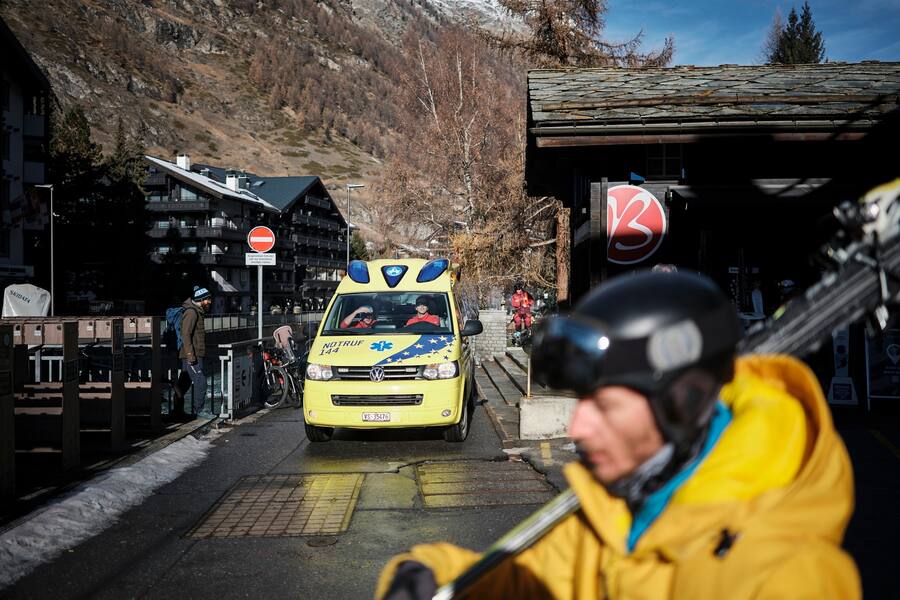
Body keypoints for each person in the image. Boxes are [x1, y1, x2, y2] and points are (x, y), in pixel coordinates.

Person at [377, 270, 860, 599]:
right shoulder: (617, 511)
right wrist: (429, 573)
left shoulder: (786, 577)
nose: (580, 427)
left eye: (606, 407)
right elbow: (529, 581)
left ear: (683, 402)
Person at [174, 286, 212, 417]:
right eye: (207, 299)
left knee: (184, 383)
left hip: (192, 353)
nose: (209, 302)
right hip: (191, 355)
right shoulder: (192, 313)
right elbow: (186, 334)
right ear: (201, 299)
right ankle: (199, 411)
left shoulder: (197, 311)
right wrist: (190, 355)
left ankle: (177, 411)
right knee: (200, 381)